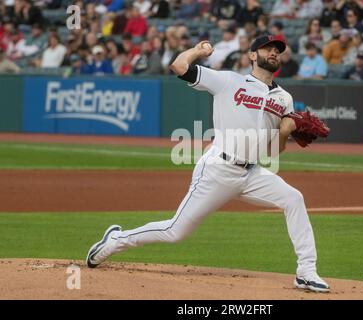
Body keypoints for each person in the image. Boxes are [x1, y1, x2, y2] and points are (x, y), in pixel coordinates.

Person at [86, 35, 331, 293]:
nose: (273, 52)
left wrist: (283, 133)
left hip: (252, 173)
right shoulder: (229, 81)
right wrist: (196, 50)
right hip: (218, 169)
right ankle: (116, 240)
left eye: (277, 50)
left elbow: (273, 152)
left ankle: (306, 271)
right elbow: (179, 67)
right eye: (267, 48)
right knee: (175, 231)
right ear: (252, 56)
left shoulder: (284, 99)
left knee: (293, 199)